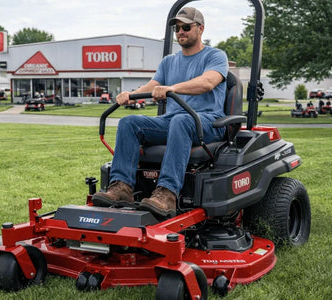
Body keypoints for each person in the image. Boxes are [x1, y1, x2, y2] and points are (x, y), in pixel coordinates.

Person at [92, 7, 229, 218]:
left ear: (200, 29)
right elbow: (153, 85)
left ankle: (167, 194)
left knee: (182, 120)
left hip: (207, 122)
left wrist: (172, 88)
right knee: (129, 123)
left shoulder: (216, 56)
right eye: (177, 28)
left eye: (186, 27)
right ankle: (122, 188)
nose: (180, 32)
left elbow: (208, 82)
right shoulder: (169, 62)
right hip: (173, 121)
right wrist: (131, 94)